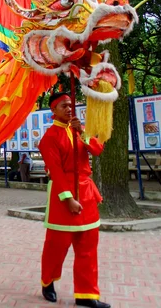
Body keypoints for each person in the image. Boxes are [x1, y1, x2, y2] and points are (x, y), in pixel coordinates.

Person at [39, 93, 110, 308]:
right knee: (57, 246)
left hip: (87, 192)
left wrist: (83, 133)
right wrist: (68, 198)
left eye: (71, 105)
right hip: (64, 195)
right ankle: (47, 282)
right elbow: (56, 172)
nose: (70, 109)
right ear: (54, 110)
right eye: (64, 106)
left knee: (88, 247)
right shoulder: (49, 138)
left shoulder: (79, 131)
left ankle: (87, 295)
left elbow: (97, 150)